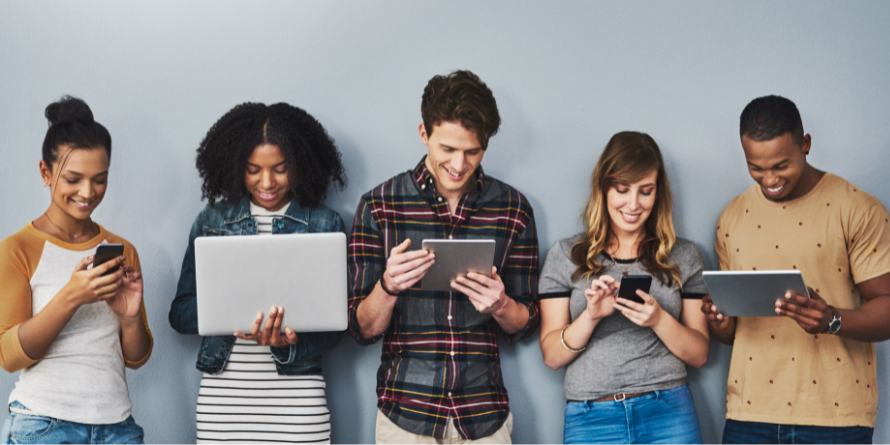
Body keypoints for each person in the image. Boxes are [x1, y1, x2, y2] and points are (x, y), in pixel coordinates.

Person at [347, 70, 540, 444]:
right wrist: (388, 286)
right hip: (406, 415)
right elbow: (361, 329)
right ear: (424, 134)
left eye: (472, 151)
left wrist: (501, 305)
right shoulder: (380, 206)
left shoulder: (513, 209)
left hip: (484, 417)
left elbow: (527, 321)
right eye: (447, 149)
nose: (459, 164)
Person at [702, 95, 890, 444]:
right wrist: (719, 320)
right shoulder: (732, 217)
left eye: (780, 166)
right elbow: (731, 335)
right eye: (756, 167)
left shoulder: (857, 209)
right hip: (748, 415)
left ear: (805, 145)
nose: (769, 179)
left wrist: (832, 320)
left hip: (836, 419)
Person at [168, 102, 347, 444]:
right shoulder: (212, 221)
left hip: (299, 406)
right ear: (237, 167)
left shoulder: (325, 224)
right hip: (225, 406)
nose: (266, 182)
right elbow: (179, 314)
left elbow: (336, 328)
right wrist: (228, 310)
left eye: (280, 169)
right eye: (253, 170)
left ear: (299, 164)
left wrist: (289, 342)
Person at [538, 132, 709, 444]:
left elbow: (699, 354)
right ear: (603, 189)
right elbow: (551, 356)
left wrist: (658, 319)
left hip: (668, 411)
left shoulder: (684, 255)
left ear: (658, 193)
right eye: (622, 190)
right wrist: (590, 316)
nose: (633, 204)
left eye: (645, 191)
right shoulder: (565, 255)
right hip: (591, 417)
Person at [0, 96, 152, 444]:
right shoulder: (17, 249)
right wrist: (72, 296)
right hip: (44, 426)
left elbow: (136, 358)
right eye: (73, 179)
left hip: (118, 426)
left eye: (100, 179)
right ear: (46, 173)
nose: (88, 192)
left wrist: (130, 319)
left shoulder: (122, 249)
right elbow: (8, 357)